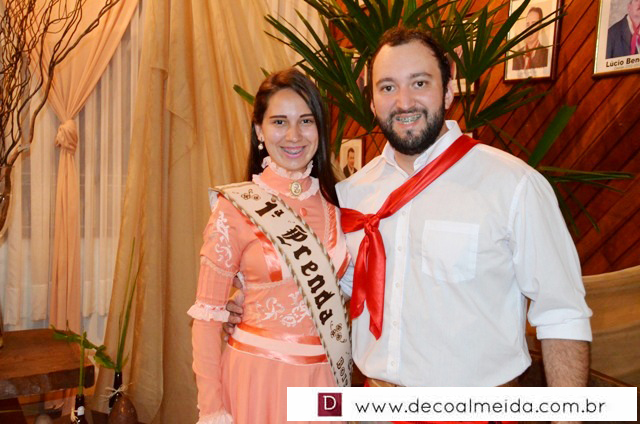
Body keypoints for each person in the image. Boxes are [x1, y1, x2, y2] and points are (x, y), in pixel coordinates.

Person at [227, 27, 591, 390]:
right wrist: (252, 303)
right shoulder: (351, 194)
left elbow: (563, 314)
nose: (403, 102)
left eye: (419, 83)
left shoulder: (513, 186)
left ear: (448, 89)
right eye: (387, 87)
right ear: (372, 102)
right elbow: (332, 288)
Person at [188, 68, 351, 424]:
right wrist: (212, 410)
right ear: (260, 131)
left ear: (320, 129)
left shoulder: (341, 204)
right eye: (279, 122)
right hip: (257, 379)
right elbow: (206, 318)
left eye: (306, 121)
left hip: (324, 380)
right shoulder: (235, 207)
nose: (294, 135)